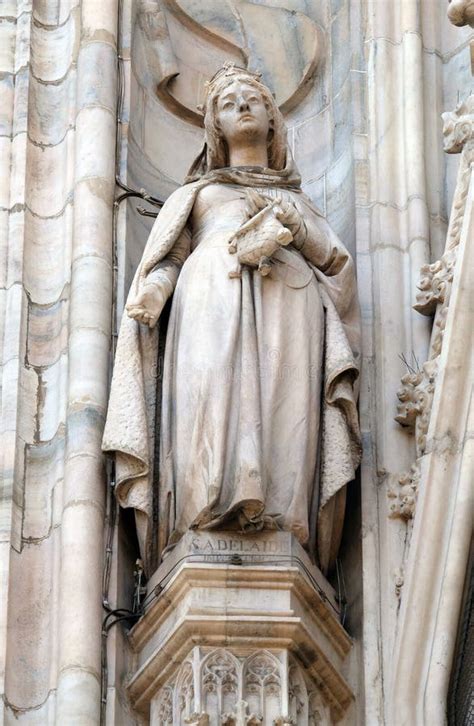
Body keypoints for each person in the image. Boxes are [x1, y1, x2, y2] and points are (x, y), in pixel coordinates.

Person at [102, 64, 361, 576]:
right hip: (210, 303)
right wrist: (154, 293)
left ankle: (283, 517)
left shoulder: (298, 201)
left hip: (289, 312)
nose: (242, 106)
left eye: (254, 100)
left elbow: (337, 269)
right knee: (211, 397)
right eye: (228, 103)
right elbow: (168, 259)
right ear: (214, 127)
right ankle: (205, 510)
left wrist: (295, 229)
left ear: (272, 120)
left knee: (284, 405)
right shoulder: (199, 194)